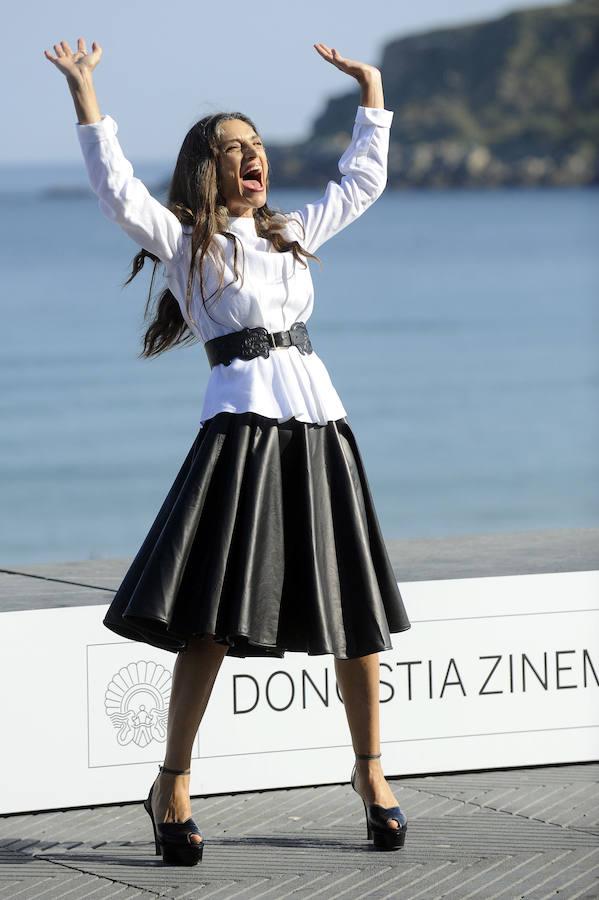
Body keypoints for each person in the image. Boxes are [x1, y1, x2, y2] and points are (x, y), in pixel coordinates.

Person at [44, 35, 412, 864]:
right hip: (240, 436)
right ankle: (170, 782)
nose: (255, 159)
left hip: (319, 429)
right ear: (207, 168)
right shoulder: (185, 242)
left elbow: (363, 181)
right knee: (208, 622)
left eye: (258, 148)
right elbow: (114, 192)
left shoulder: (290, 233)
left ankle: (371, 775)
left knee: (354, 618)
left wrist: (372, 94)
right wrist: (85, 95)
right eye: (236, 150)